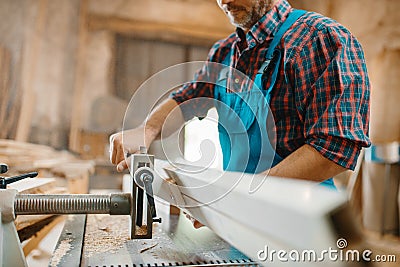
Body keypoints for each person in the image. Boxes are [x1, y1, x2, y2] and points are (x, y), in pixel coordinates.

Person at [110, 0, 370, 190]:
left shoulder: (322, 39)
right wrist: (145, 131)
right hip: (239, 218)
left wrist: (242, 198)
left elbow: (335, 149)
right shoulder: (223, 52)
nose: (224, 1)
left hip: (300, 226)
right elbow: (188, 99)